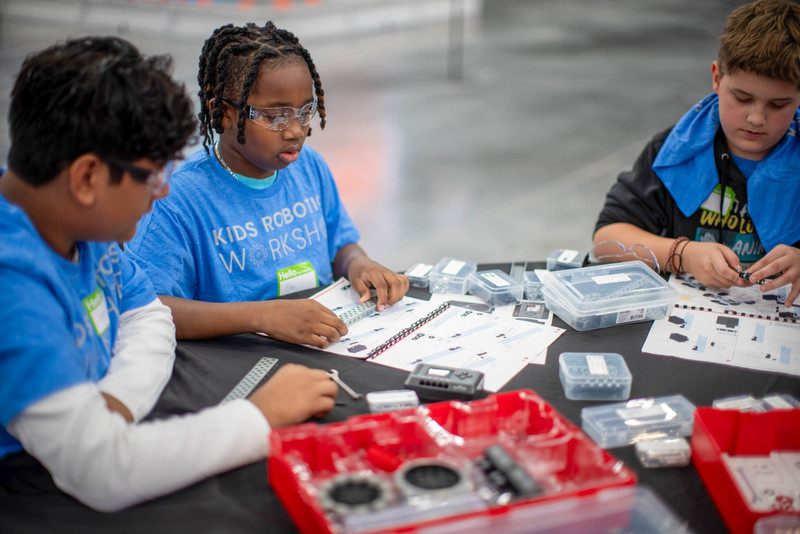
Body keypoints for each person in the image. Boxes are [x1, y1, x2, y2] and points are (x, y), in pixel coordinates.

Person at [0, 36, 337, 513]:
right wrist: (258, 418)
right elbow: (100, 472)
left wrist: (113, 404)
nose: (162, 193)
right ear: (87, 178)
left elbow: (147, 313)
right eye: (150, 176)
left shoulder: (73, 221)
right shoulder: (12, 287)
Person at [125, 21, 409, 346]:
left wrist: (358, 263)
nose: (296, 131)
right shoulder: (177, 198)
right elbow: (151, 309)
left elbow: (340, 244)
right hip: (238, 356)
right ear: (224, 112)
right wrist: (263, 316)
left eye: (305, 112)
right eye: (275, 117)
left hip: (322, 342)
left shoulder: (310, 166)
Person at [593, 0, 800, 307]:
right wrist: (682, 255)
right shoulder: (674, 150)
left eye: (778, 105)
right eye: (742, 98)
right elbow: (605, 241)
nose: (757, 118)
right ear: (717, 78)